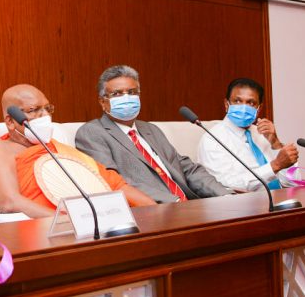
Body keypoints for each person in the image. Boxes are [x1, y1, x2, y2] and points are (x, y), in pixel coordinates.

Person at [0, 84, 157, 219]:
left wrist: (155, 212)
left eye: (47, 109)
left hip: (96, 226)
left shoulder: (61, 150)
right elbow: (8, 202)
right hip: (48, 231)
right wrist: (72, 222)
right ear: (10, 121)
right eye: (33, 110)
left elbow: (115, 185)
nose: (45, 116)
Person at [75, 65, 230, 203]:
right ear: (103, 102)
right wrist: (174, 202)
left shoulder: (151, 129)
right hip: (154, 211)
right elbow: (113, 181)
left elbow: (187, 169)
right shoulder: (92, 133)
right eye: (117, 94)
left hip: (191, 205)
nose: (126, 98)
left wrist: (225, 195)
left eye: (132, 92)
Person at [197, 77, 299, 191]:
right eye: (237, 101)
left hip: (282, 198)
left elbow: (292, 183)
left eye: (251, 103)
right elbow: (226, 186)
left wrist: (276, 143)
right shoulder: (212, 139)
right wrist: (275, 165)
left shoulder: (263, 134)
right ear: (226, 104)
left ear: (259, 108)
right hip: (246, 201)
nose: (244, 107)